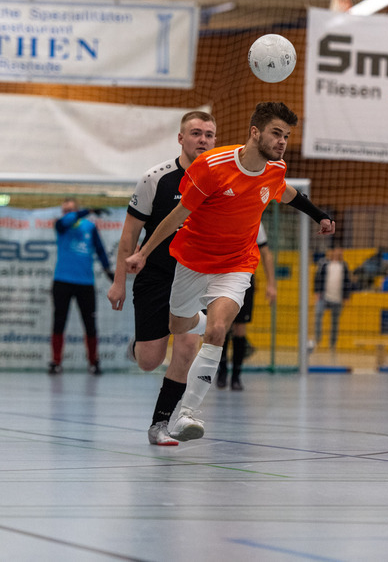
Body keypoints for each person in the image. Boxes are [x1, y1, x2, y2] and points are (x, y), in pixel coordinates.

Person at [125, 101, 335, 441]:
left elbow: (290, 194)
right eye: (276, 134)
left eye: (286, 135)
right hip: (192, 262)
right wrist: (144, 253)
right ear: (255, 132)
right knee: (179, 326)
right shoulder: (213, 165)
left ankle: (184, 415)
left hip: (236, 265)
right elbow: (178, 216)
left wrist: (320, 215)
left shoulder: (275, 170)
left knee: (218, 330)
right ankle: (198, 323)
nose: (282, 142)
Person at [107, 111, 216, 446]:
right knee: (149, 361)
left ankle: (160, 424)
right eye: (196, 133)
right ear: (181, 139)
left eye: (209, 135)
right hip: (156, 276)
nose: (203, 140)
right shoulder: (156, 178)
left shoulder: (220, 179)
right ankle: (139, 347)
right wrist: (119, 280)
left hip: (196, 277)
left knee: (186, 345)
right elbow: (129, 236)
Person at [48, 198, 114, 376]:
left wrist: (108, 269)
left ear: (76, 209)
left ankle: (93, 362)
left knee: (90, 323)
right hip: (62, 281)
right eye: (65, 210)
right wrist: (89, 210)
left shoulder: (89, 227)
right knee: (59, 322)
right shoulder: (61, 225)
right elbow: (67, 221)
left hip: (85, 283)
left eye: (71, 210)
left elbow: (99, 249)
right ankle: (56, 362)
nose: (67, 213)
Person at [217, 224, 277, 390]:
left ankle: (236, 376)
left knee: (240, 328)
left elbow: (266, 253)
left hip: (245, 277)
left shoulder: (255, 219)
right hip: (221, 275)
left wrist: (271, 284)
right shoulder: (224, 212)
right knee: (221, 326)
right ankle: (222, 372)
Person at [311, 246, 351, 352]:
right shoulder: (324, 263)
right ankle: (317, 340)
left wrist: (346, 296)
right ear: (332, 251)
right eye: (336, 249)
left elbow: (347, 281)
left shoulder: (344, 265)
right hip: (324, 297)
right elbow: (317, 278)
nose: (338, 251)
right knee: (318, 316)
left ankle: (332, 344)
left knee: (335, 322)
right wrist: (317, 291)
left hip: (337, 299)